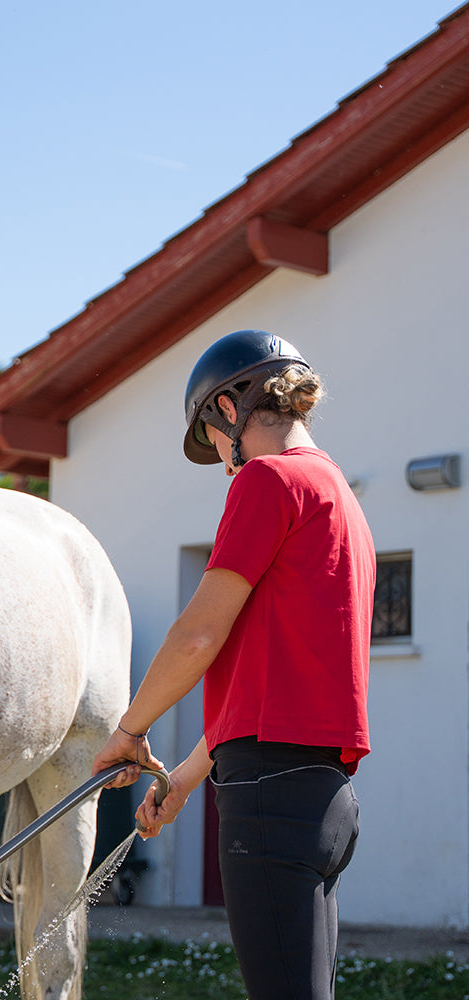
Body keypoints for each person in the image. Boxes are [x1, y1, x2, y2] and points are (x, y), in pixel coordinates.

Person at [92, 329, 374, 1000]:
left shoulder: (269, 481)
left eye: (216, 442)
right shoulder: (339, 498)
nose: (225, 463)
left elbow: (197, 635)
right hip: (324, 801)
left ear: (228, 407)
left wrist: (129, 730)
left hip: (270, 801)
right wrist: (185, 780)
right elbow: (264, 684)